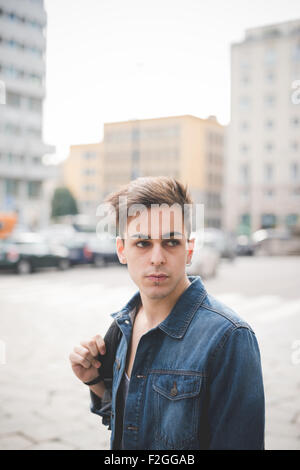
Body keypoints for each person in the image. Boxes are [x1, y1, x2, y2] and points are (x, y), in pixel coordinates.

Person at [69, 176, 265, 450]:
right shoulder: (122, 327)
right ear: (122, 250)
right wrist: (94, 381)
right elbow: (129, 424)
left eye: (171, 242)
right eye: (143, 243)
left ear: (189, 249)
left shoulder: (229, 338)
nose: (157, 257)